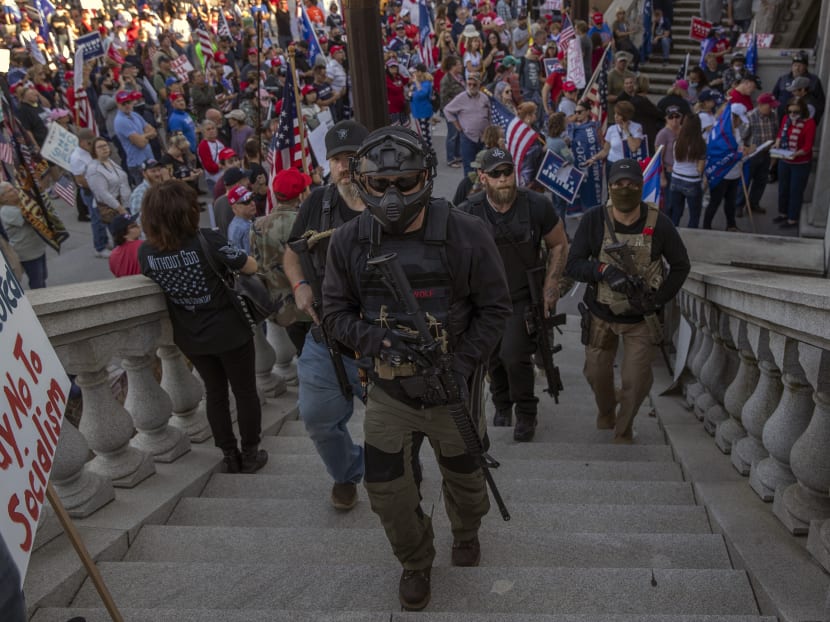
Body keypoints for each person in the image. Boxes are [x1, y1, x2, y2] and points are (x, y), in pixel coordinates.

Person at [322, 126, 511, 611]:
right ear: (362, 182)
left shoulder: (466, 233)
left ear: (425, 178)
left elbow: (495, 309)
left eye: (404, 184)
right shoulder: (347, 241)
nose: (392, 196)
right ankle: (414, 560)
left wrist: (464, 363)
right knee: (385, 489)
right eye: (380, 184)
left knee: (467, 482)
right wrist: (378, 340)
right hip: (389, 390)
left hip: (453, 390)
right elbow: (334, 313)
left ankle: (466, 531)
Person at [139, 180, 268, 474]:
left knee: (215, 393)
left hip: (191, 335)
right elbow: (250, 267)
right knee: (245, 391)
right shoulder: (207, 239)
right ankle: (250, 453)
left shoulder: (146, 252)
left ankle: (229, 455)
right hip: (230, 331)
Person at [566, 158, 690, 444]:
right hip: (600, 314)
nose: (625, 189)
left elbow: (681, 266)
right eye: (619, 184)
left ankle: (623, 431)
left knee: (636, 383)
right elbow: (573, 265)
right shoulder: (595, 219)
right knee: (597, 375)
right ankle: (606, 412)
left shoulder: (660, 224)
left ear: (641, 186)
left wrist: (658, 300)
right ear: (609, 187)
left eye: (632, 184)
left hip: (640, 320)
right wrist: (604, 271)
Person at [282, 121, 370, 510]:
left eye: (352, 158)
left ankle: (397, 473)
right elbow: (292, 252)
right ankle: (347, 472)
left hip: (379, 337)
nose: (344, 166)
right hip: (327, 335)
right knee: (317, 417)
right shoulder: (318, 203)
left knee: (402, 423)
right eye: (337, 159)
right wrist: (300, 285)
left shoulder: (391, 200)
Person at [458, 147, 568, 439]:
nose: (504, 178)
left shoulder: (536, 205)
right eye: (496, 174)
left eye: (508, 172)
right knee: (492, 357)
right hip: (483, 301)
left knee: (514, 354)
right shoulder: (469, 211)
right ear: (483, 178)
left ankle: (526, 412)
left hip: (521, 298)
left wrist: (551, 285)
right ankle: (502, 403)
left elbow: (558, 243)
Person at [703, 103, 748, 231]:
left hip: (734, 172)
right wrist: (742, 154)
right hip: (721, 173)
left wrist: (742, 152)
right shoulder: (719, 131)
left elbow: (736, 150)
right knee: (715, 201)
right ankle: (706, 226)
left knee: (731, 201)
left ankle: (731, 224)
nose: (740, 123)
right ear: (733, 117)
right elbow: (721, 152)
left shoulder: (737, 130)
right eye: (739, 119)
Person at [774, 97, 816, 229]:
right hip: (785, 160)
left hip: (800, 163)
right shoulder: (786, 119)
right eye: (790, 111)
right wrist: (778, 141)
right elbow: (781, 132)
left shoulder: (809, 123)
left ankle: (792, 218)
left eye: (796, 112)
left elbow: (808, 146)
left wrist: (796, 154)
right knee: (783, 189)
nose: (792, 115)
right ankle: (783, 213)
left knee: (795, 191)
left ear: (802, 111)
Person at [0, 182, 47, 289]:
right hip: (28, 253)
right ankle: (42, 302)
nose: (15, 190)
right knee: (37, 282)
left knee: (43, 277)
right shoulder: (6, 211)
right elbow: (33, 217)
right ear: (3, 198)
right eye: (10, 191)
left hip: (38, 247)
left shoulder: (19, 203)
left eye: (13, 188)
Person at [444, 72, 491, 175]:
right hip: (467, 137)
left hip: (483, 138)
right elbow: (447, 110)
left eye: (474, 84)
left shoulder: (485, 98)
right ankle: (468, 190)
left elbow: (489, 114)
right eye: (469, 84)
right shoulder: (461, 97)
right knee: (469, 167)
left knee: (483, 167)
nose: (471, 86)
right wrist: (458, 127)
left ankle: (480, 189)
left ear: (479, 84)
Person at [741, 92, 779, 216]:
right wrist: (746, 149)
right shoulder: (750, 117)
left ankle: (754, 204)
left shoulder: (773, 116)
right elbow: (742, 137)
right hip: (752, 154)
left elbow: (776, 132)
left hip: (767, 153)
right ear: (761, 105)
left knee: (761, 181)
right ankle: (738, 205)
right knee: (746, 181)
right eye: (770, 106)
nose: (772, 108)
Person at [668, 114, 706, 228]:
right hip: (692, 181)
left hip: (675, 179)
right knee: (694, 214)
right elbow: (700, 168)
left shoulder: (677, 142)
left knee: (676, 212)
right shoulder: (700, 144)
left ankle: (673, 235)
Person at [113, 90, 157, 186]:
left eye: (128, 102)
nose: (127, 105)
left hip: (149, 158)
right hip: (138, 163)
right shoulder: (120, 121)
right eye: (123, 103)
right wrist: (146, 136)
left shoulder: (135, 115)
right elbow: (140, 143)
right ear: (118, 105)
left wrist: (143, 137)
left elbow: (153, 131)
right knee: (145, 194)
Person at [771, 51, 826, 126]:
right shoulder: (783, 79)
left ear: (806, 66)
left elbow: (821, 103)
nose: (797, 68)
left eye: (800, 65)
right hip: (783, 121)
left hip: (804, 125)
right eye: (795, 65)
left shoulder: (814, 81)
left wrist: (813, 123)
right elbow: (773, 98)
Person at [587, 101, 645, 171]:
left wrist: (626, 131)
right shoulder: (611, 129)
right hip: (612, 163)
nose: (615, 116)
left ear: (625, 116)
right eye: (615, 113)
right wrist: (593, 158)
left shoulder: (637, 127)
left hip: (627, 165)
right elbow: (605, 150)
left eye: (619, 114)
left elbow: (633, 148)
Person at [86, 138, 131, 226]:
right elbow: (103, 194)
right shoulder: (94, 170)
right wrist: (121, 209)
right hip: (113, 209)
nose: (104, 148)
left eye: (105, 145)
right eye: (100, 147)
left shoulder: (110, 161)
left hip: (125, 204)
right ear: (94, 151)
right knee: (121, 235)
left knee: (130, 232)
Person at [654, 105, 683, 212]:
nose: (674, 120)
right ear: (666, 118)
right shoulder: (663, 134)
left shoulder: (684, 131)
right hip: (669, 172)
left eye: (677, 116)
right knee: (668, 203)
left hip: (682, 172)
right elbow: (658, 157)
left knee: (679, 203)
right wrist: (662, 176)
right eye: (671, 117)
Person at [440, 55, 466, 168]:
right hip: (451, 111)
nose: (461, 66)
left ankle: (458, 156)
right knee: (452, 135)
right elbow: (444, 98)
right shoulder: (446, 80)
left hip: (461, 111)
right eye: (459, 64)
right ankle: (450, 159)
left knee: (459, 134)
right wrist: (453, 109)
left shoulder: (459, 77)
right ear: (452, 66)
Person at [410, 63, 435, 149]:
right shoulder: (418, 83)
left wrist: (416, 84)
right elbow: (411, 93)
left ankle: (428, 150)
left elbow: (421, 94)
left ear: (420, 72)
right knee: (421, 133)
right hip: (417, 111)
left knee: (425, 134)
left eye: (416, 71)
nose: (414, 73)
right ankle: (426, 149)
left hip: (423, 112)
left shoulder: (426, 83)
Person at [226, 185, 256, 254]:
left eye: (252, 198)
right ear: (235, 207)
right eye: (246, 202)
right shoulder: (246, 228)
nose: (253, 203)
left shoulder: (233, 224)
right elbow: (252, 258)